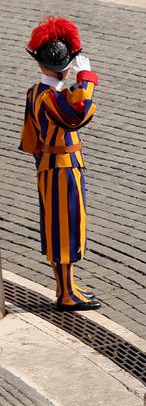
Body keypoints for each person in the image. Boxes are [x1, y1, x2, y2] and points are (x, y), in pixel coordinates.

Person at [21, 17, 100, 311]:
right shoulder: (52, 98)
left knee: (64, 226)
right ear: (65, 67)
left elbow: (30, 138)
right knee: (65, 230)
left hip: (52, 165)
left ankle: (68, 287)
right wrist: (86, 79)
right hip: (61, 167)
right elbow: (79, 113)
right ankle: (66, 293)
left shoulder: (36, 92)